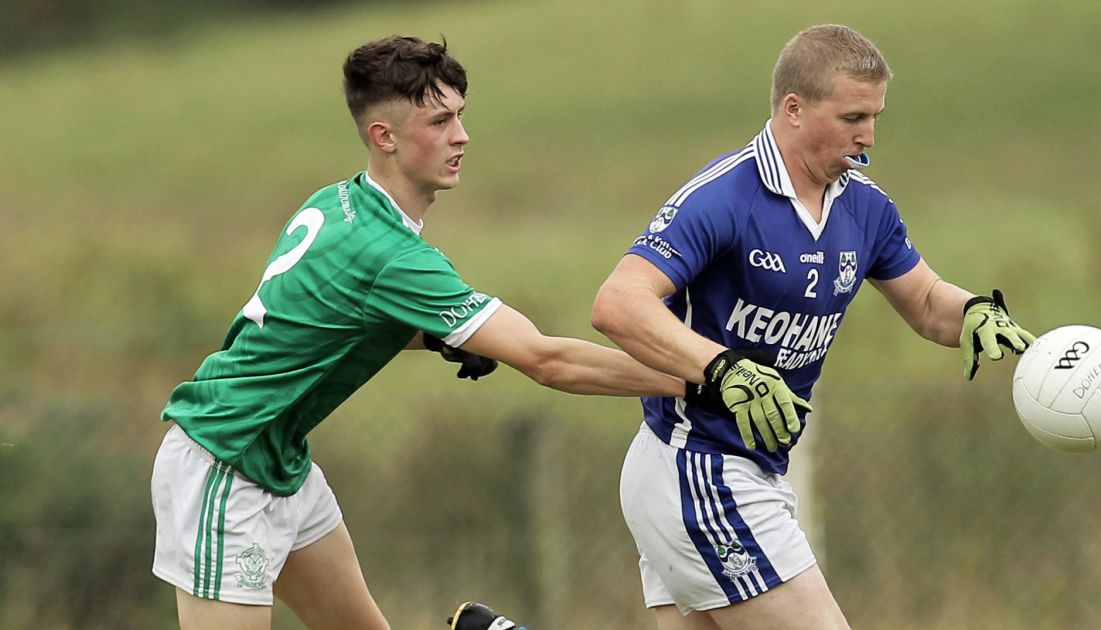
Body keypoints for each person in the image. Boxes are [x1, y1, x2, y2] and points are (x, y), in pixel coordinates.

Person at [150, 35, 680, 629]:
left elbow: (333, 320)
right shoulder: (393, 255)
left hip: (280, 461)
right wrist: (694, 380)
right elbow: (546, 359)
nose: (461, 136)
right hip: (225, 460)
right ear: (385, 137)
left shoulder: (338, 202)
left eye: (460, 116)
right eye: (440, 120)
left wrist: (436, 337)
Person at [590, 24, 1037, 630]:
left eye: (875, 117)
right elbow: (618, 303)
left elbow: (928, 301)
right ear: (793, 109)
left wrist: (975, 310)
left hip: (745, 471)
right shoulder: (725, 197)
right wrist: (721, 369)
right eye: (853, 116)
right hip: (699, 463)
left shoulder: (865, 207)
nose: (868, 136)